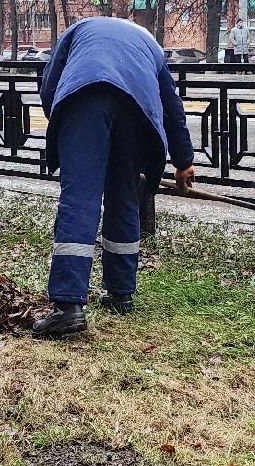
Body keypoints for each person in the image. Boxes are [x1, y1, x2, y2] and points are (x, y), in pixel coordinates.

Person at [32, 17, 196, 339]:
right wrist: (183, 162)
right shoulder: (151, 45)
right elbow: (172, 107)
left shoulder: (80, 28)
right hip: (137, 113)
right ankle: (120, 294)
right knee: (123, 197)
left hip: (85, 98)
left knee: (80, 197)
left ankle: (67, 306)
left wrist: (70, 126)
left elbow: (50, 85)